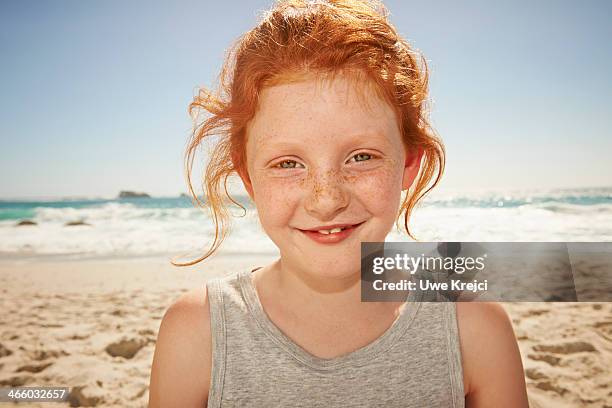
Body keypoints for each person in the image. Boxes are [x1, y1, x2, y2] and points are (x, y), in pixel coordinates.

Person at [148, 1, 529, 406]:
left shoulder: (472, 323)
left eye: (361, 157)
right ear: (249, 179)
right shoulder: (197, 332)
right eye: (288, 163)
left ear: (409, 164)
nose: (326, 200)